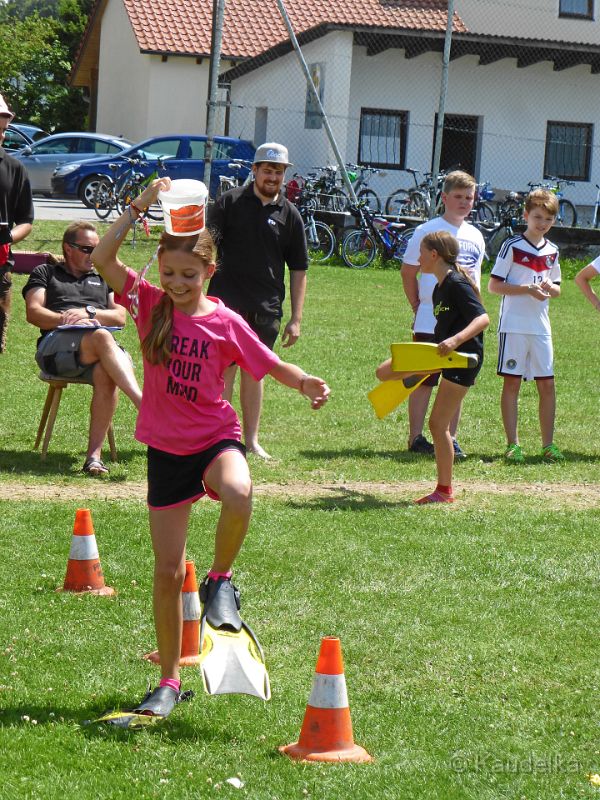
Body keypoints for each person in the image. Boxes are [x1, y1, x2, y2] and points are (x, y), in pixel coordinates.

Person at [91, 177, 329, 719]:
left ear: (209, 273)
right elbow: (104, 256)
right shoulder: (150, 305)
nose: (176, 283)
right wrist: (143, 205)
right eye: (169, 273)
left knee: (240, 491)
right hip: (166, 453)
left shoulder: (225, 322)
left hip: (214, 439)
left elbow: (266, 364)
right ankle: (170, 679)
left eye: (188, 275)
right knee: (168, 572)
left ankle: (221, 579)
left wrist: (305, 381)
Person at [207, 141, 309, 459]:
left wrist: (296, 318)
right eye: (267, 170)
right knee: (223, 372)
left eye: (278, 172)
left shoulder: (290, 215)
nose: (273, 177)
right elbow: (205, 244)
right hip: (224, 305)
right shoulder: (229, 202)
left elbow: (299, 268)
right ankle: (219, 438)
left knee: (255, 372)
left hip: (265, 308)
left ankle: (251, 441)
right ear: (255, 170)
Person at [22, 221, 142, 475]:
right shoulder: (46, 272)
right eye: (88, 249)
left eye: (97, 249)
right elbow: (33, 312)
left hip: (98, 347)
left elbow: (120, 316)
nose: (94, 256)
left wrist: (88, 312)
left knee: (105, 370)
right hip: (55, 347)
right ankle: (143, 405)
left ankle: (94, 459)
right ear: (68, 248)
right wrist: (67, 318)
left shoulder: (102, 277)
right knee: (101, 337)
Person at [400, 170, 485, 459]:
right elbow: (408, 270)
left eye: (469, 197)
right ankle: (416, 437)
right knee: (424, 377)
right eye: (458, 197)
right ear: (444, 198)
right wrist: (417, 305)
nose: (464, 202)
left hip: (461, 320)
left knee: (454, 380)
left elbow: (475, 278)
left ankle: (450, 437)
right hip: (430, 315)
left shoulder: (475, 235)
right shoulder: (428, 231)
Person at [406, 231, 488, 503]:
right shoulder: (441, 286)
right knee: (438, 423)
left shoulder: (455, 283)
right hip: (450, 356)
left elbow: (483, 318)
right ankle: (443, 490)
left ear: (434, 255)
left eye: (421, 252)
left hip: (464, 358)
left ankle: (444, 491)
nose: (418, 258)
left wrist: (455, 340)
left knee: (438, 423)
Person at [488, 189, 563, 464]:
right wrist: (526, 289)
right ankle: (513, 444)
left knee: (548, 385)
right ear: (526, 216)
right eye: (537, 217)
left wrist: (547, 288)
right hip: (514, 325)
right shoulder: (512, 245)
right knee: (512, 384)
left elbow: (557, 288)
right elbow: (494, 285)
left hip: (541, 327)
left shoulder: (553, 250)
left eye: (548, 219)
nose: (542, 223)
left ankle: (548, 444)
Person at [0, 93, 34, 353]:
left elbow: (26, 220)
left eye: (3, 130)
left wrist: (8, 237)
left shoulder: (14, 168)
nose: (1, 136)